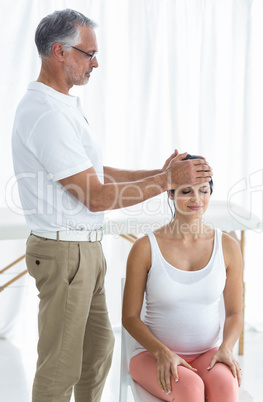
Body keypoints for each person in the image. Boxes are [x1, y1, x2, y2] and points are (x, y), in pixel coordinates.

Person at [11, 9, 212, 402]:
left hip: (85, 248)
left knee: (98, 351)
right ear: (60, 52)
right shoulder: (45, 112)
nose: (95, 62)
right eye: (89, 53)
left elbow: (98, 174)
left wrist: (159, 171)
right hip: (65, 252)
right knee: (60, 366)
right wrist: (167, 182)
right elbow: (95, 196)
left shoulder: (63, 105)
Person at [122, 154, 243, 402]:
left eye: (203, 190)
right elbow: (129, 317)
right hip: (151, 354)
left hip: (207, 353)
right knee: (190, 390)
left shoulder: (228, 247)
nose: (197, 199)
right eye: (187, 191)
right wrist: (162, 353)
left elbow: (235, 313)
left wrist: (226, 349)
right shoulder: (145, 247)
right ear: (170, 193)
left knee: (226, 387)